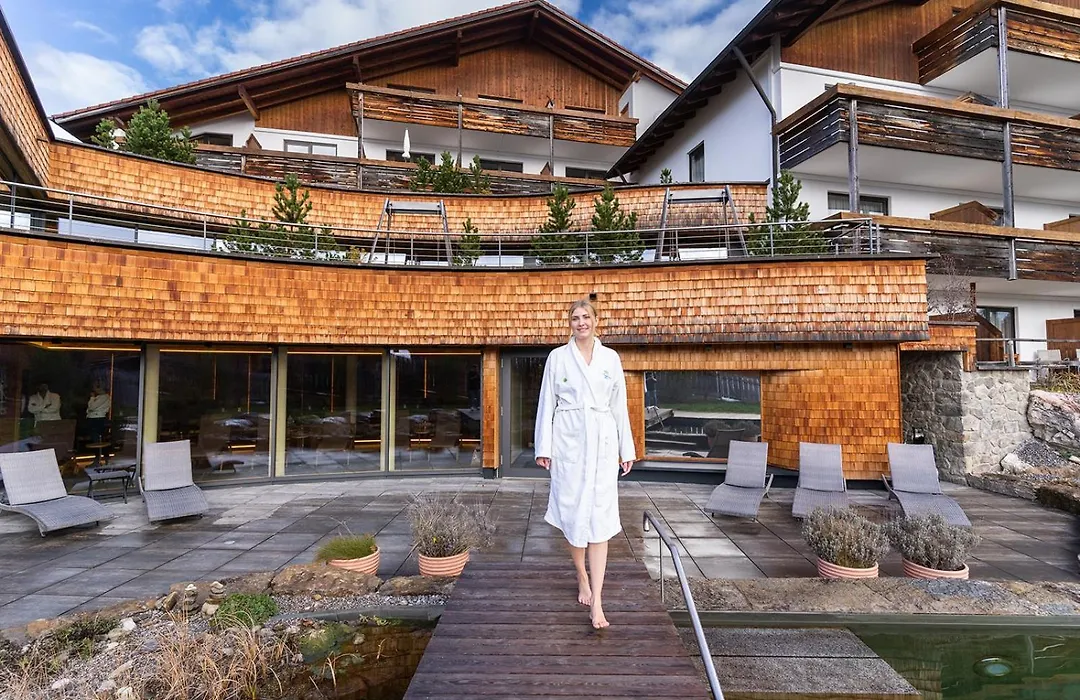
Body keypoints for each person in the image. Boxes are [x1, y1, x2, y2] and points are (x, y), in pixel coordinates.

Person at [534, 300, 635, 629]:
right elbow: (546, 403)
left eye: (586, 317)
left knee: (600, 518)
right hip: (569, 442)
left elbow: (619, 406)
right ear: (570, 323)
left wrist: (626, 449)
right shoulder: (557, 358)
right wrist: (544, 447)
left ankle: (598, 602)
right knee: (573, 513)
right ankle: (581, 576)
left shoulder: (610, 358)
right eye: (575, 318)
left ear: (595, 320)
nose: (581, 323)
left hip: (603, 444)